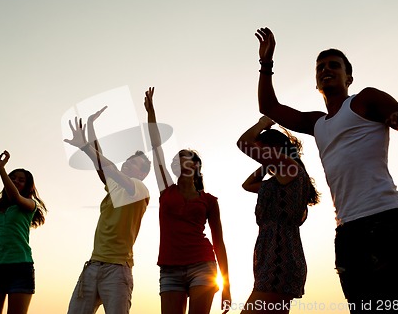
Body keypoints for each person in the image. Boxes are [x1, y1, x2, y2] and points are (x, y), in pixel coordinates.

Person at [254, 26, 398, 313]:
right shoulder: (317, 123)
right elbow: (269, 106)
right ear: (315, 83)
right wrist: (266, 63)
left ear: (348, 77)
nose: (326, 69)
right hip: (348, 232)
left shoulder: (365, 101)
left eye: (334, 65)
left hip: (387, 222)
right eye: (320, 67)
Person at [144, 87, 231, 314]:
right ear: (176, 166)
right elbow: (156, 149)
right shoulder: (166, 190)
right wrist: (151, 114)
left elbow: (219, 242)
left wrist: (226, 286)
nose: (189, 162)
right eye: (184, 158)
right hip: (170, 269)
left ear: (198, 167)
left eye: (193, 160)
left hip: (203, 265)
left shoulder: (209, 201)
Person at [64, 107, 151, 314]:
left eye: (134, 164)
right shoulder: (115, 187)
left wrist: (85, 146)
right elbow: (100, 160)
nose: (128, 165)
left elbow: (108, 166)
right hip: (93, 266)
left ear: (143, 173)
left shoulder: (140, 189)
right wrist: (91, 127)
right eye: (127, 162)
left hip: (118, 270)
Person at [237, 116, 320, 314]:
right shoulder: (280, 179)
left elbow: (243, 143)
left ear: (274, 148)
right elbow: (247, 185)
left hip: (279, 256)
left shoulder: (290, 168)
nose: (259, 155)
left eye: (262, 150)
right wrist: (267, 164)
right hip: (274, 254)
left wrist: (261, 125)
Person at [0, 150, 47, 314]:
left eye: (21, 180)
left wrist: (1, 169)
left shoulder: (28, 205)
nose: (16, 181)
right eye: (13, 178)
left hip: (21, 268)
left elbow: (16, 197)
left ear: (27, 186)